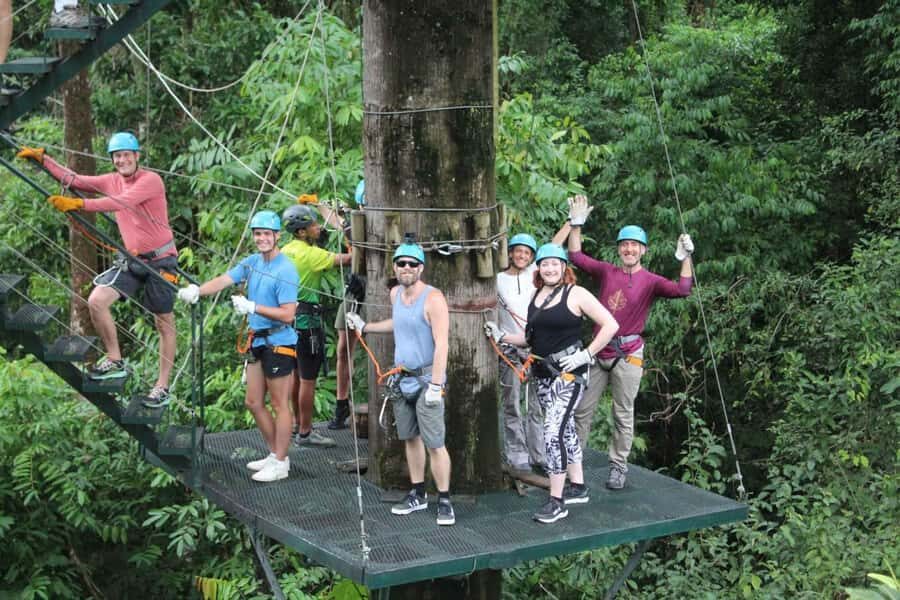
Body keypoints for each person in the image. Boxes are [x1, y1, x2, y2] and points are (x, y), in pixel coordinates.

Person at [17, 133, 178, 403]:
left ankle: (162, 386)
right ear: (113, 159)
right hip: (133, 259)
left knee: (163, 323)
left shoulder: (151, 180)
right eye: (117, 156)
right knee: (96, 301)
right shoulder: (111, 180)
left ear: (137, 156)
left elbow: (120, 202)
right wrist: (44, 160)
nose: (122, 160)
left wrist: (79, 204)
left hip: (161, 261)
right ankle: (115, 359)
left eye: (127, 154)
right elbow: (75, 180)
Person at [561, 194, 694, 490]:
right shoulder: (608, 271)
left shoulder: (651, 280)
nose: (629, 249)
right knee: (582, 410)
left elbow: (684, 289)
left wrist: (686, 258)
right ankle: (573, 463)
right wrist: (576, 224)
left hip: (629, 352)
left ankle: (618, 466)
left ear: (643, 250)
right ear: (619, 249)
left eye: (634, 245)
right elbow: (576, 257)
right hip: (599, 350)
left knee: (623, 413)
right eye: (625, 245)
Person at [485, 244, 618, 524]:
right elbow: (530, 339)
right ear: (539, 268)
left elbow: (610, 325)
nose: (549, 269)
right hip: (543, 373)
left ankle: (557, 501)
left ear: (563, 267)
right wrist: (501, 336)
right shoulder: (537, 297)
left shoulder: (576, 293)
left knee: (551, 431)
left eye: (555, 264)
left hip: (569, 373)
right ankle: (578, 486)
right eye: (544, 264)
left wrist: (586, 353)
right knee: (565, 428)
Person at [176, 211, 299, 482]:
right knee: (253, 401)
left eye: (267, 234)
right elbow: (225, 279)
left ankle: (281, 461)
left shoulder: (285, 268)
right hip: (258, 340)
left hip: (279, 341)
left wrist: (253, 306)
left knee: (280, 403)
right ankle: (274, 453)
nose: (262, 238)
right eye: (258, 234)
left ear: (278, 236)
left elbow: (289, 314)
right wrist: (198, 290)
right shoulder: (253, 262)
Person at [345, 242, 456, 526]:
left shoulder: (433, 299)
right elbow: (399, 323)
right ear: (395, 267)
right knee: (410, 438)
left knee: (435, 442)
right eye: (402, 264)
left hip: (426, 378)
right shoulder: (396, 294)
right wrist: (365, 326)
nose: (407, 269)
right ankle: (417, 492)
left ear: (421, 268)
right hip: (401, 378)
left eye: (412, 264)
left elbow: (442, 344)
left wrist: (435, 384)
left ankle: (444, 499)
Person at [280, 202, 351, 448]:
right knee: (308, 379)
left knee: (294, 375)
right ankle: (307, 432)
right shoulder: (312, 255)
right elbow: (353, 258)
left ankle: (295, 425)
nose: (318, 227)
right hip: (307, 322)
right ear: (301, 231)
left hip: (286, 321)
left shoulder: (285, 250)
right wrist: (347, 228)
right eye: (312, 224)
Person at [495, 233, 545, 474]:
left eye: (527, 252)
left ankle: (539, 454)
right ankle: (517, 454)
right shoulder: (496, 279)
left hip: (535, 346)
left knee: (537, 405)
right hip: (509, 348)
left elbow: (553, 247)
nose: (522, 255)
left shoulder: (534, 275)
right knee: (512, 402)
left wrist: (572, 223)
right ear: (510, 253)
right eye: (518, 251)